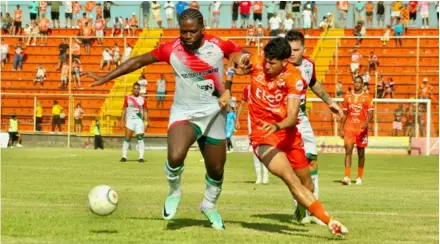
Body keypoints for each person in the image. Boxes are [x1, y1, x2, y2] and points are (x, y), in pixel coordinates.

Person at [85, 8, 251, 230]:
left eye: (192, 31)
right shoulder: (171, 49)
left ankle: (209, 205)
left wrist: (242, 60)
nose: (187, 36)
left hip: (215, 113)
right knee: (175, 155)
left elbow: (239, 54)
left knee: (217, 170)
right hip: (184, 112)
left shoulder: (218, 45)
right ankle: (175, 191)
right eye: (183, 32)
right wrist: (106, 77)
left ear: (203, 29)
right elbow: (138, 61)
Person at [246, 37, 348, 237]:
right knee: (290, 178)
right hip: (263, 135)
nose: (266, 66)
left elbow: (292, 117)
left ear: (285, 62)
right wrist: (233, 70)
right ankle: (329, 220)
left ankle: (303, 207)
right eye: (266, 60)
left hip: (288, 133)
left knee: (307, 183)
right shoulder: (257, 65)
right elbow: (234, 56)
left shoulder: (295, 78)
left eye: (272, 63)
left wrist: (277, 125)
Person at [284, 30, 343, 224]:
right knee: (293, 167)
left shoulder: (309, 65)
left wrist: (329, 101)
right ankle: (300, 204)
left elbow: (314, 83)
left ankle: (313, 207)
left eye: (296, 49)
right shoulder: (279, 66)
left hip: (300, 118)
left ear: (303, 49)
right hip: (282, 121)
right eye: (289, 49)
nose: (291, 53)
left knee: (312, 160)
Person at [340, 76, 374, 185]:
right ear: (353, 83)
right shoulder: (347, 96)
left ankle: (359, 177)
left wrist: (366, 122)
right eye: (355, 82)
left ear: (362, 84)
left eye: (359, 82)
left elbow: (370, 113)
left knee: (361, 153)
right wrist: (341, 127)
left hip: (361, 129)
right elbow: (345, 113)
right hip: (349, 128)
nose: (357, 84)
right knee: (348, 151)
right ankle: (347, 177)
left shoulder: (368, 97)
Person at [235, 84, 269, 184]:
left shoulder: (265, 86)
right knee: (255, 147)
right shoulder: (248, 88)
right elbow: (242, 104)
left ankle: (266, 176)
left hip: (264, 120)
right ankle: (258, 177)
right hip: (252, 120)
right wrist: (237, 119)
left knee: (265, 146)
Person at [118, 83, 148, 163]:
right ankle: (124, 157)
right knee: (127, 139)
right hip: (130, 120)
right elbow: (124, 110)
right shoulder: (127, 98)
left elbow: (145, 111)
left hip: (139, 121)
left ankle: (141, 157)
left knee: (140, 138)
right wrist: (122, 120)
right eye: (135, 88)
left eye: (138, 88)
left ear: (139, 90)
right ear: (133, 89)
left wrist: (146, 122)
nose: (136, 90)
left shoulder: (143, 99)